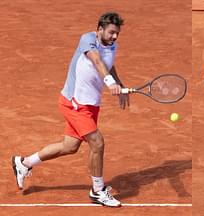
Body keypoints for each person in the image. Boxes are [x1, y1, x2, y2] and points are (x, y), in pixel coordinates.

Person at [12, 11, 128, 207]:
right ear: (99, 29)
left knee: (70, 147)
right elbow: (97, 61)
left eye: (117, 33)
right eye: (111, 32)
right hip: (75, 103)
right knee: (97, 143)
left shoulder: (112, 45)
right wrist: (110, 83)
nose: (115, 36)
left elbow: (108, 64)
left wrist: (120, 84)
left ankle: (24, 163)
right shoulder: (88, 39)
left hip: (91, 104)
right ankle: (98, 191)